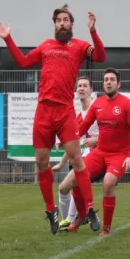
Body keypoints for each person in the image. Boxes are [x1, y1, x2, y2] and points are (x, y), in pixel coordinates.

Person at [0, 4, 106, 234]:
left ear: (71, 25)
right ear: (54, 24)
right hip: (44, 112)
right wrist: (8, 39)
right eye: (59, 20)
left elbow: (101, 57)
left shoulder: (79, 46)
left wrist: (93, 31)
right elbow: (23, 62)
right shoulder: (46, 46)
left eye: (66, 20)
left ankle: (91, 209)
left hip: (64, 112)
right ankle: (50, 209)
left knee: (77, 160)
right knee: (41, 163)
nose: (62, 23)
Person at [66, 68, 130, 236]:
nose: (108, 82)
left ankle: (106, 228)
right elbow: (83, 127)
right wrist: (66, 138)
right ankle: (82, 216)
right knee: (76, 177)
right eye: (106, 79)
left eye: (112, 79)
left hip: (119, 155)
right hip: (100, 152)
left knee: (108, 183)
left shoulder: (126, 104)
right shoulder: (98, 103)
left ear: (118, 84)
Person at [52, 76, 100, 231]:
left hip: (103, 156)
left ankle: (76, 218)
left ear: (91, 90)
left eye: (85, 86)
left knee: (71, 183)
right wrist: (61, 162)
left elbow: (116, 133)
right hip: (87, 157)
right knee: (63, 188)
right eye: (79, 86)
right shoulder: (78, 117)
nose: (81, 88)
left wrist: (96, 139)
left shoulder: (99, 109)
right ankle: (72, 220)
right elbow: (74, 144)